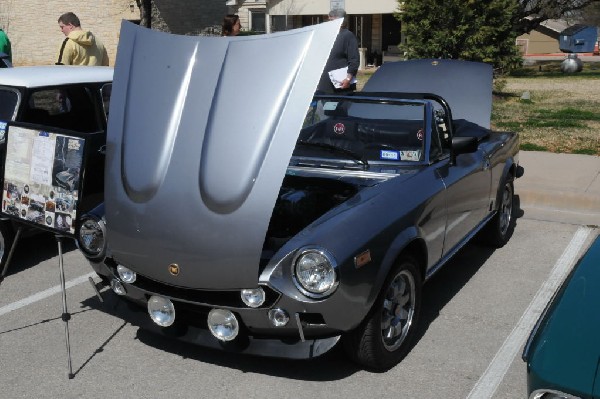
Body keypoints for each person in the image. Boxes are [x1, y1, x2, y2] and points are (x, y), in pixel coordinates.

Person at [316, 8, 360, 94]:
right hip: (323, 87)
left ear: (341, 21)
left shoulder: (347, 35)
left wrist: (348, 78)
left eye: (332, 18)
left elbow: (354, 60)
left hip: (341, 86)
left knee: (340, 107)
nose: (329, 20)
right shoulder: (327, 35)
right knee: (321, 107)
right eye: (329, 18)